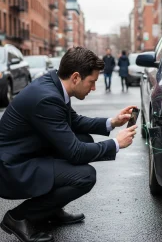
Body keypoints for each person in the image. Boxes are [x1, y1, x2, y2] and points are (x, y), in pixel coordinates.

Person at [0, 47, 137, 242]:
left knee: (84, 139)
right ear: (75, 77)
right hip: (13, 167)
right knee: (85, 176)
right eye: (92, 82)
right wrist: (116, 143)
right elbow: (75, 153)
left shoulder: (54, 84)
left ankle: (50, 210)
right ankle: (18, 217)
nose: (94, 88)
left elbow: (74, 121)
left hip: (29, 153)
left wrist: (112, 122)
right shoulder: (47, 98)